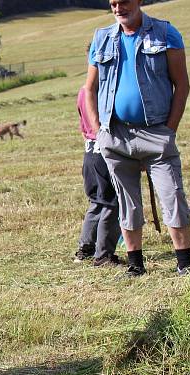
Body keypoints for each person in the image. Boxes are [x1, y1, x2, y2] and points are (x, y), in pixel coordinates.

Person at [84, 0, 190, 276]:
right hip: (115, 135)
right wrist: (99, 131)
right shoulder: (101, 38)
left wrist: (169, 129)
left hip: (156, 133)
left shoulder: (166, 33)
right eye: (113, 3)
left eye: (123, 2)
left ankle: (185, 264)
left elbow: (182, 84)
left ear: (139, 1)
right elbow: (90, 89)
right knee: (127, 202)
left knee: (172, 196)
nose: (118, 8)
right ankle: (135, 265)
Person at [74, 85, 121, 266]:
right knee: (112, 203)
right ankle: (104, 255)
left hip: (90, 153)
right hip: (104, 152)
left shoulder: (83, 91)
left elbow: (81, 122)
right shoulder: (104, 90)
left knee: (97, 201)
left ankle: (85, 247)